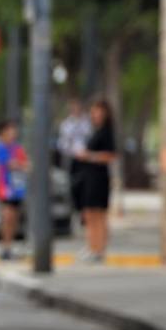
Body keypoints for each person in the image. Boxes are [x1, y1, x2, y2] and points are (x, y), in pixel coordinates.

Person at [74, 99, 117, 263]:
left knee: (99, 213)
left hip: (99, 177)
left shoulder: (107, 132)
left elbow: (111, 156)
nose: (95, 114)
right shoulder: (95, 130)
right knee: (89, 213)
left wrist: (89, 156)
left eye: (98, 111)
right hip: (89, 176)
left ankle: (99, 250)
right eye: (93, 111)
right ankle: (92, 246)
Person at [0, 120, 29, 261]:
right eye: (8, 131)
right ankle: (5, 247)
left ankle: (10, 246)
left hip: (17, 188)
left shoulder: (17, 148)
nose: (11, 134)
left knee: (14, 218)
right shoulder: (0, 147)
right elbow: (10, 164)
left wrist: (20, 164)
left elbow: (25, 164)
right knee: (7, 217)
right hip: (5, 188)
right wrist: (19, 164)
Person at [57, 97, 91, 218]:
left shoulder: (87, 123)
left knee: (86, 185)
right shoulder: (66, 125)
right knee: (74, 185)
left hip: (87, 159)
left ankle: (85, 211)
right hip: (73, 159)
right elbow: (62, 143)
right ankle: (77, 209)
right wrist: (73, 151)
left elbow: (90, 139)